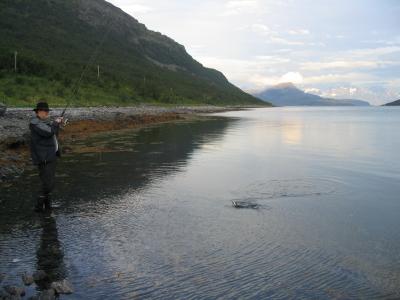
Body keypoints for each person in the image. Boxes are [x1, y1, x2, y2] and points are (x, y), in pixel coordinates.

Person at [30, 102, 64, 212]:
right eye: (45, 111)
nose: (47, 113)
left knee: (49, 182)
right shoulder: (35, 123)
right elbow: (49, 132)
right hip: (44, 158)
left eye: (47, 111)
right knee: (47, 184)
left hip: (50, 156)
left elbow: (54, 133)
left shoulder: (44, 122)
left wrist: (58, 124)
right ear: (38, 112)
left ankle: (48, 206)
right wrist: (56, 122)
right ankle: (38, 207)